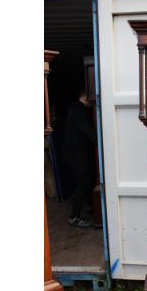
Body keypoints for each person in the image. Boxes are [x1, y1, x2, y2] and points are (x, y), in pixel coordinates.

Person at [63, 88, 96, 228]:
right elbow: (86, 129)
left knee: (86, 180)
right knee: (84, 182)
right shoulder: (77, 108)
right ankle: (74, 217)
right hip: (74, 152)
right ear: (85, 96)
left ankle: (88, 205)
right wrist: (100, 140)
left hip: (77, 151)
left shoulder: (79, 109)